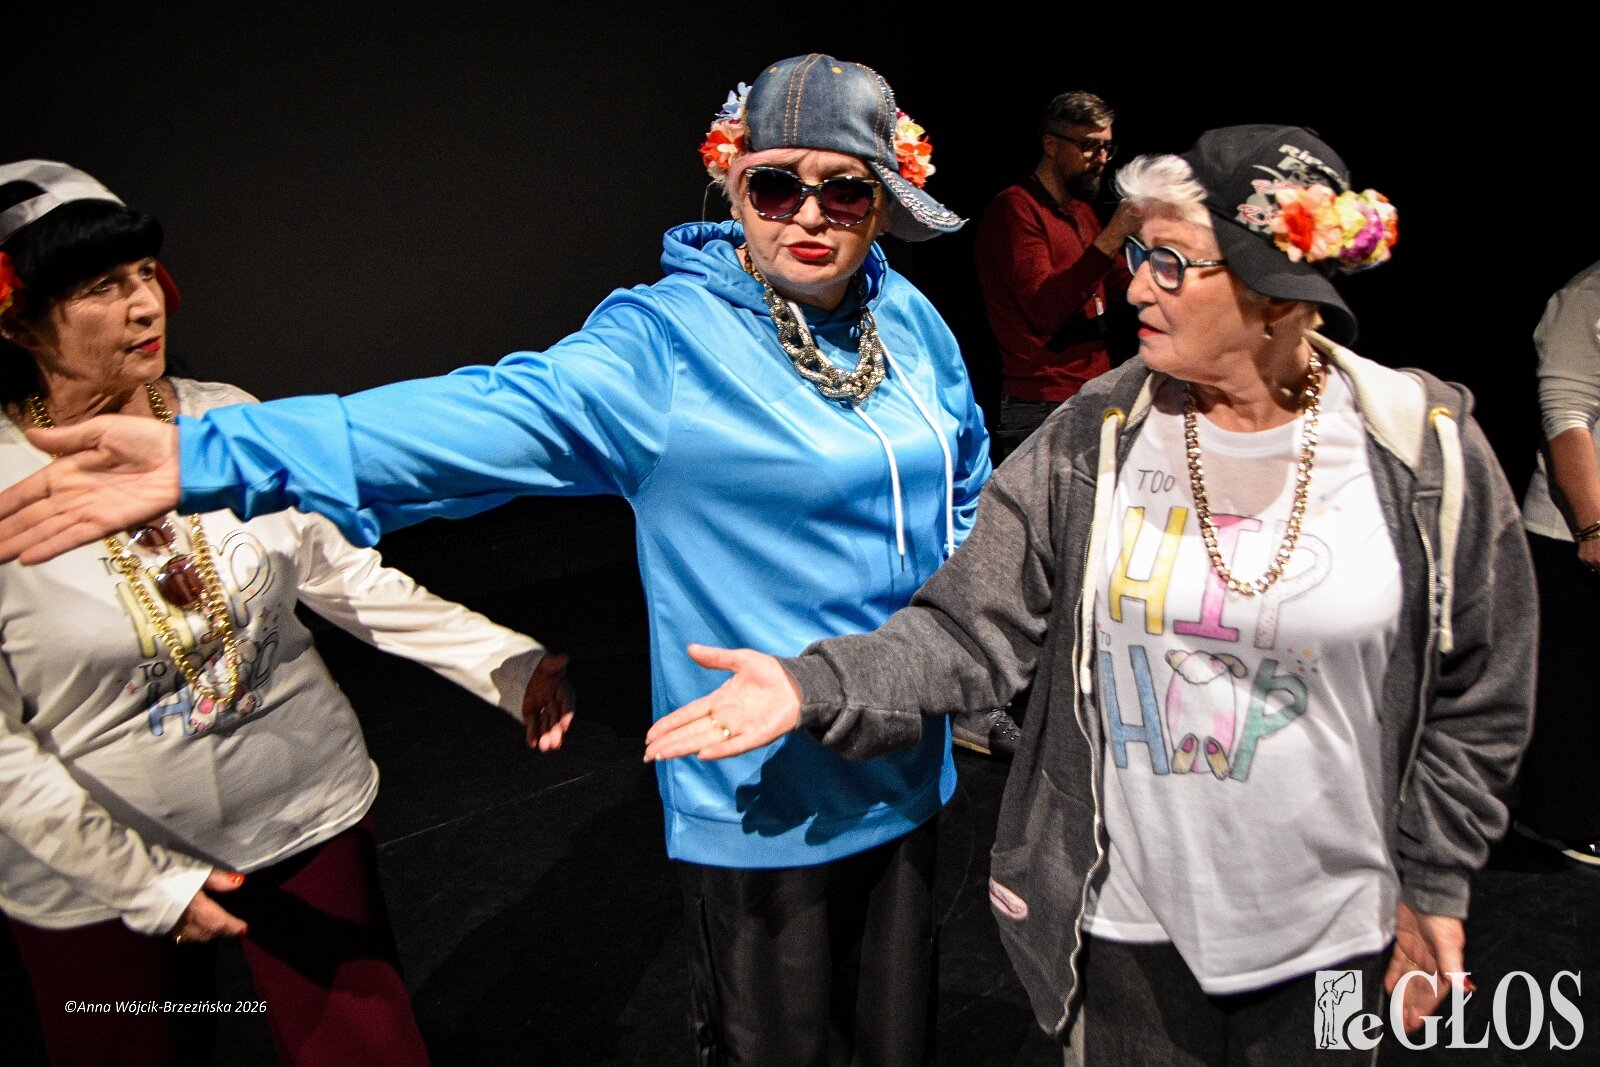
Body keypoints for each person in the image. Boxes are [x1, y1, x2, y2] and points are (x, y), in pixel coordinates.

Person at [0, 57, 989, 1065]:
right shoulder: (662, 348)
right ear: (732, 188)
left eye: (844, 189)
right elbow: (477, 418)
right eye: (776, 185)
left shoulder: (906, 319)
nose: (809, 214)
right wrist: (215, 454)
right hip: (769, 787)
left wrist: (957, 645)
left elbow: (964, 472)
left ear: (883, 200)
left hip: (904, 752)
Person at [644, 126, 1536, 1063]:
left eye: (1170, 263)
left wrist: (1436, 878)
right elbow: (968, 627)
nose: (1135, 286)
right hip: (1124, 933)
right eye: (1139, 254)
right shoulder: (1095, 434)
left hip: (1338, 935)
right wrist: (812, 683)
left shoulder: (1420, 450)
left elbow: (1484, 686)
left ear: (1276, 292)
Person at [0, 160, 574, 1066]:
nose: (146, 305)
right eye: (102, 287)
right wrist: (141, 883)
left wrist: (504, 660)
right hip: (95, 868)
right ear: (18, 319)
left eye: (144, 274)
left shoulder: (222, 423)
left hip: (297, 811)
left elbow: (341, 574)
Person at [973, 90, 1139, 463]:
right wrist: (1113, 236)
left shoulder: (1082, 210)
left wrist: (1164, 256)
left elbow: (1122, 287)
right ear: (1051, 145)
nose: (1101, 159)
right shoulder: (1015, 210)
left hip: (1095, 391)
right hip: (1042, 404)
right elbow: (1044, 310)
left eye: (1106, 148)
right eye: (1089, 146)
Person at [1514, 257, 1600, 866]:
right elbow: (1565, 414)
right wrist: (1593, 524)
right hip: (1572, 535)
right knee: (1577, 691)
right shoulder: (1588, 295)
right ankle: (1559, 823)